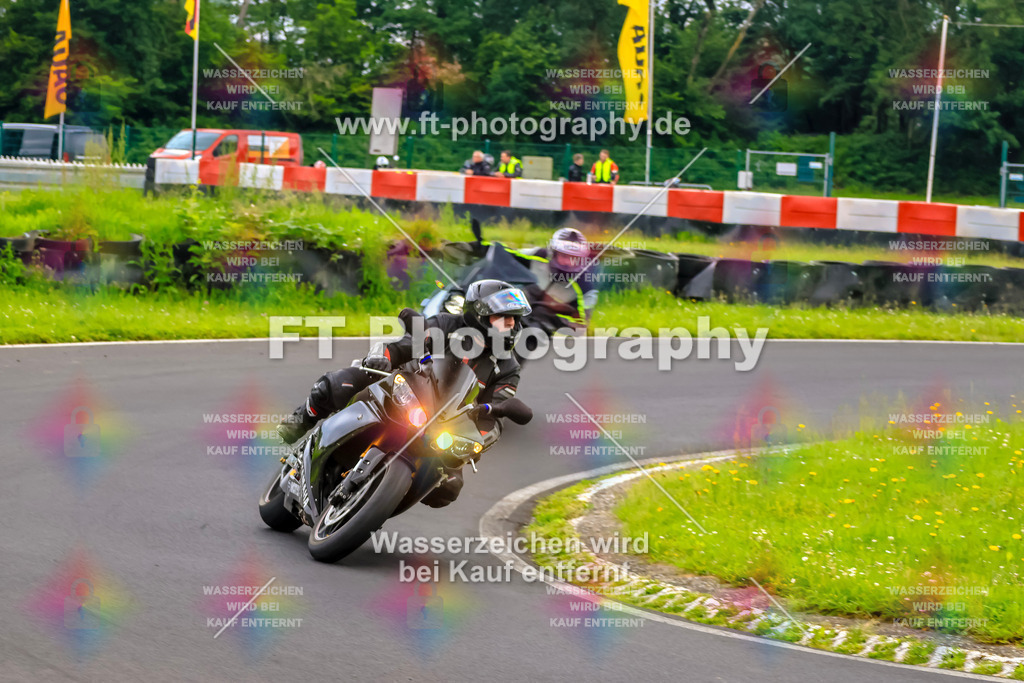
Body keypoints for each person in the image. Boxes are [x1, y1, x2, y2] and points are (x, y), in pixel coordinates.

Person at [277, 279, 531, 507]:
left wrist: (478, 443)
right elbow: (405, 346)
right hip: (402, 389)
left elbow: (495, 414)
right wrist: (382, 358)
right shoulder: (446, 324)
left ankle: (377, 502)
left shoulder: (508, 368)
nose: (512, 324)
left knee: (448, 488)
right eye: (504, 317)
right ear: (480, 316)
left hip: (443, 428)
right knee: (334, 386)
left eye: (515, 318)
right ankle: (302, 420)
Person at [513, 227, 599, 333]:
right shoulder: (538, 254)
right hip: (529, 297)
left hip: (555, 307)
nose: (568, 262)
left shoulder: (581, 273)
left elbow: (589, 294)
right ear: (553, 252)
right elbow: (513, 256)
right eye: (564, 255)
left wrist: (586, 317)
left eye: (574, 257)